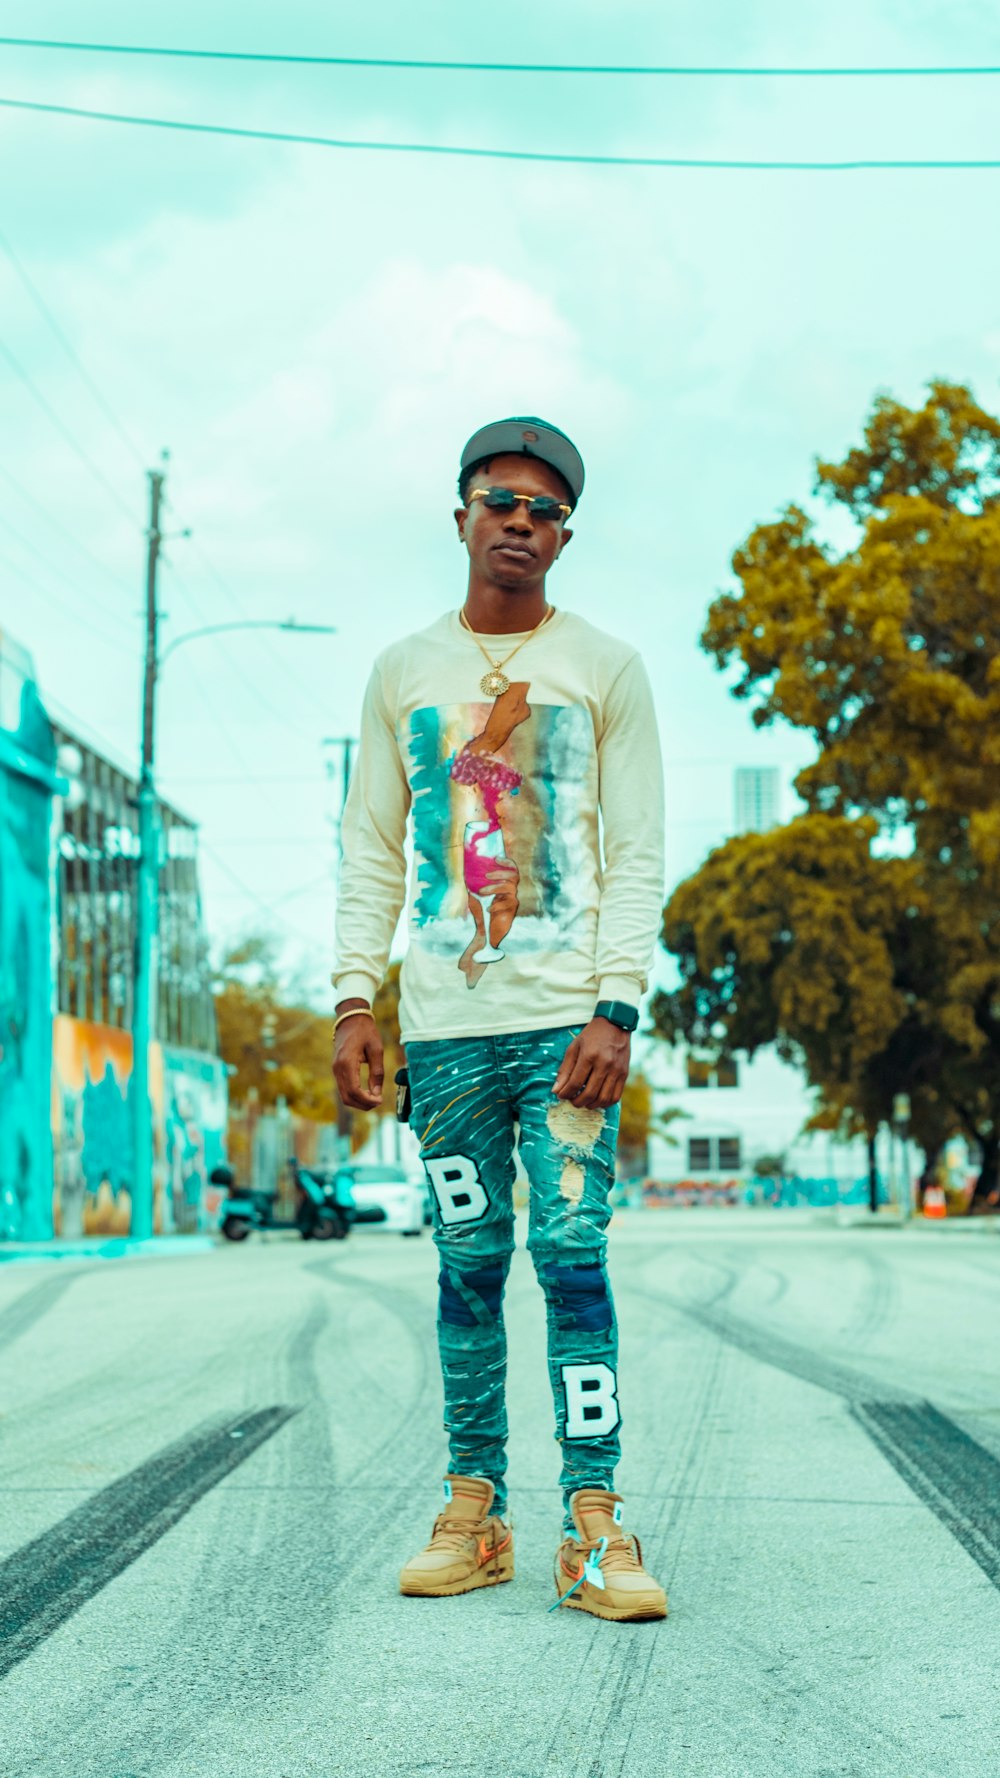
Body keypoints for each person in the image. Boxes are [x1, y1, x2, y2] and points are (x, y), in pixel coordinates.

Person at [332, 416, 667, 1622]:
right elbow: (369, 845)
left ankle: (594, 1523)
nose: (519, 521)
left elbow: (634, 855)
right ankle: (473, 1508)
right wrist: (355, 999)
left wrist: (615, 1006)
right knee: (467, 1269)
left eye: (543, 508)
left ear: (564, 533)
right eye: (499, 500)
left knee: (572, 1261)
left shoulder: (605, 667)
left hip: (565, 1025)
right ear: (462, 513)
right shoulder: (400, 670)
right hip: (443, 1031)